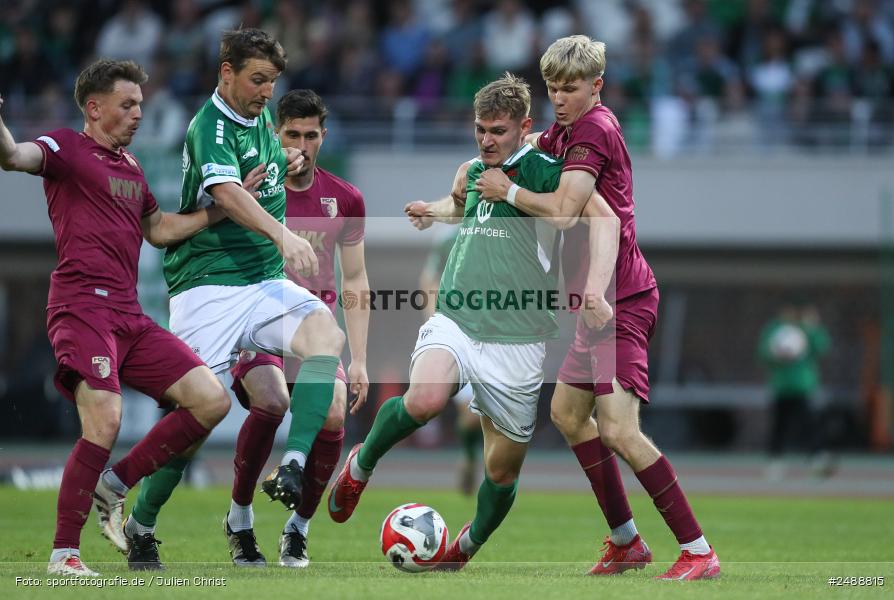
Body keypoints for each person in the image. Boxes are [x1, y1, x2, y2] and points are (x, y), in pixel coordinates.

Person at [327, 72, 608, 570]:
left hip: (519, 339)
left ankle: (464, 549)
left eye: (498, 131)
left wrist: (592, 289)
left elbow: (595, 217)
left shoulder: (550, 172)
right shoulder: (474, 170)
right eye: (480, 129)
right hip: (458, 316)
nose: (486, 140)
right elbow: (463, 206)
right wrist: (433, 211)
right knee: (426, 398)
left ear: (524, 127)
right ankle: (361, 464)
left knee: (501, 470)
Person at [475, 35, 720, 580]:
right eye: (553, 89)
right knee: (566, 414)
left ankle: (699, 550)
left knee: (620, 430)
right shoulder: (565, 128)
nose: (560, 98)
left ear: (597, 86)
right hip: (595, 304)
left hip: (619, 302)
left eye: (571, 88)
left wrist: (506, 191)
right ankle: (627, 542)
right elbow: (533, 142)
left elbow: (564, 211)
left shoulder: (594, 130)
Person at [119, 29, 347, 569]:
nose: (267, 90)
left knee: (324, 335)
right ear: (227, 72)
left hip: (261, 282)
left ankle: (291, 463)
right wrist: (284, 234)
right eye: (257, 79)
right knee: (196, 418)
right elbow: (225, 193)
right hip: (209, 287)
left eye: (272, 80)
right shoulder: (210, 125)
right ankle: (141, 522)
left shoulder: (262, 128)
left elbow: (257, 181)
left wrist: (283, 172)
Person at [0, 59, 232, 577]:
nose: (137, 115)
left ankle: (115, 484)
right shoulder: (65, 149)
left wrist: (224, 209)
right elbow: (13, 156)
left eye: (140, 106)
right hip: (81, 305)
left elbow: (162, 229)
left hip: (128, 312)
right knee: (105, 418)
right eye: (127, 105)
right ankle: (64, 554)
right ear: (95, 107)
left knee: (210, 400)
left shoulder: (131, 168)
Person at [226, 89, 370, 567]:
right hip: (260, 321)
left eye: (311, 136)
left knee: (333, 412)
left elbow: (354, 278)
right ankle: (240, 518)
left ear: (323, 137)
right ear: (275, 134)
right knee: (271, 401)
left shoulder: (345, 197)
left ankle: (298, 527)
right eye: (292, 134)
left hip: (316, 330)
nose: (302, 146)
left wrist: (362, 359)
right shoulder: (251, 190)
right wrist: (249, 196)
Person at [419, 229, 481, 495]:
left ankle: (480, 460)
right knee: (468, 413)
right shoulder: (448, 238)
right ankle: (469, 457)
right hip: (458, 333)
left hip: (494, 335)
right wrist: (436, 321)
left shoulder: (504, 229)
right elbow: (428, 280)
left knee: (481, 417)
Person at [758, 303, 832, 478]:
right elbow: (763, 353)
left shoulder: (806, 329)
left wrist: (813, 327)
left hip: (803, 386)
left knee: (809, 424)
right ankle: (775, 462)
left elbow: (822, 347)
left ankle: (816, 459)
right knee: (779, 426)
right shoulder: (774, 329)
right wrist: (775, 353)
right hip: (781, 386)